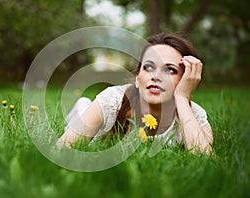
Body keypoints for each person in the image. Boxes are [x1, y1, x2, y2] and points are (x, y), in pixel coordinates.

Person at [57, 33, 213, 153]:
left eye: (170, 70)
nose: (156, 76)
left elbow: (205, 161)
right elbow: (61, 150)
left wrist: (181, 98)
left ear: (186, 79)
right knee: (83, 111)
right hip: (93, 114)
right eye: (149, 67)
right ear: (138, 77)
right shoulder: (112, 101)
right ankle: (82, 107)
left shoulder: (193, 115)